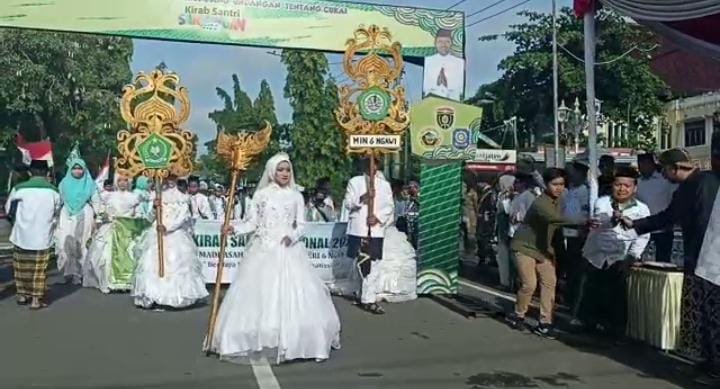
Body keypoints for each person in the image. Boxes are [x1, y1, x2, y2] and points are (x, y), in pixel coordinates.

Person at [209, 153, 341, 364]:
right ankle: (262, 337)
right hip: (262, 249)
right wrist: (233, 229)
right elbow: (252, 223)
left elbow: (302, 225)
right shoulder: (261, 195)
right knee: (260, 296)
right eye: (280, 170)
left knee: (294, 296)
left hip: (288, 249)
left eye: (287, 170)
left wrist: (292, 236)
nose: (284, 174)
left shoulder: (296, 196)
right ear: (272, 172)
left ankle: (297, 341)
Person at [619, 147, 720, 382]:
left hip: (708, 260)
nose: (662, 174)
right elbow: (670, 216)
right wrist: (637, 224)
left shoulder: (700, 184)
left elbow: (698, 223)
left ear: (675, 168)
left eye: (664, 169)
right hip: (703, 259)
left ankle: (715, 367)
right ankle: (709, 360)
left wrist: (637, 224)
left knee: (712, 315)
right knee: (705, 313)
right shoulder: (694, 184)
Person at [507, 168, 578, 339]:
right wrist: (584, 222)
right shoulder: (541, 203)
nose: (558, 188)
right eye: (554, 184)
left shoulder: (561, 199)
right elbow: (556, 219)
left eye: (561, 184)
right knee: (529, 284)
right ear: (546, 185)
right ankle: (519, 314)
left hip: (544, 249)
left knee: (549, 283)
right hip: (524, 246)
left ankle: (545, 322)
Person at [579, 167, 650, 337]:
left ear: (634, 188)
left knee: (617, 297)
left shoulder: (642, 209)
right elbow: (595, 225)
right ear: (613, 185)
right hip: (595, 255)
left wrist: (631, 257)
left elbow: (642, 237)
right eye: (618, 185)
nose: (622, 189)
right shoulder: (601, 203)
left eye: (627, 186)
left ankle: (615, 331)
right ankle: (589, 326)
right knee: (591, 292)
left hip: (620, 256)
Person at [132, 175, 208, 309]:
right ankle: (153, 295)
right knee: (152, 264)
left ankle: (175, 297)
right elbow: (149, 218)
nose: (170, 181)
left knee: (176, 264)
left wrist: (168, 227)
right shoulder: (157, 196)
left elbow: (183, 217)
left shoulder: (183, 198)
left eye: (173, 178)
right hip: (157, 235)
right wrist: (155, 208)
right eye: (167, 178)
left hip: (175, 235)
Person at [6, 160, 61, 309]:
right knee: (39, 270)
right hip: (42, 236)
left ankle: (22, 295)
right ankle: (36, 300)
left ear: (30, 172)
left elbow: (8, 210)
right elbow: (57, 213)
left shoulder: (19, 189)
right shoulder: (54, 191)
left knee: (21, 267)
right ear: (47, 173)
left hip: (21, 235)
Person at [343, 157, 394, 314]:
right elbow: (347, 203)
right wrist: (363, 199)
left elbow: (389, 207)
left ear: (378, 165)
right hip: (359, 229)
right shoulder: (355, 182)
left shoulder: (385, 185)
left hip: (376, 230)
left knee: (374, 265)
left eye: (374, 162)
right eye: (368, 162)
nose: (371, 165)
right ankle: (361, 293)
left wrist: (377, 217)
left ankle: (369, 299)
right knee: (360, 263)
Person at [83, 174, 146, 293]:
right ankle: (107, 282)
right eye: (120, 180)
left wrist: (131, 219)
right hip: (110, 228)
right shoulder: (108, 196)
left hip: (127, 230)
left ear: (130, 182)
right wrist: (103, 218)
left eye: (126, 180)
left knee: (129, 254)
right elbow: (102, 211)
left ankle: (127, 282)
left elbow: (138, 214)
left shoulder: (134, 197)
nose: (123, 183)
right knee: (104, 256)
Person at [56, 146, 101, 285]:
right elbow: (58, 201)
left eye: (80, 168)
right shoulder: (63, 183)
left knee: (82, 243)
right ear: (70, 169)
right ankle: (68, 272)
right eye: (74, 168)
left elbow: (96, 201)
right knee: (65, 242)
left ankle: (81, 272)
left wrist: (99, 217)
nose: (77, 171)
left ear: (84, 170)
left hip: (85, 214)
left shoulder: (90, 184)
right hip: (66, 215)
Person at [560, 157, 591, 316]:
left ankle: (574, 300)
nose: (572, 176)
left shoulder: (586, 191)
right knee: (569, 266)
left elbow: (585, 214)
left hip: (578, 231)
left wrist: (582, 229)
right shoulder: (570, 190)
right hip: (566, 229)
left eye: (575, 173)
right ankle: (568, 296)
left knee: (576, 268)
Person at [636, 152, 677, 263]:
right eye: (639, 163)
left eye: (644, 163)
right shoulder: (637, 183)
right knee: (640, 259)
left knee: (662, 261)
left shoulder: (665, 180)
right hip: (644, 227)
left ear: (651, 164)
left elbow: (675, 198)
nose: (641, 166)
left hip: (663, 227)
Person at [423, 29, 464, 101]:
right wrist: (437, 84)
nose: (443, 45)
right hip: (431, 102)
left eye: (447, 42)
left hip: (453, 103)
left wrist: (447, 84)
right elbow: (424, 88)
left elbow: (461, 89)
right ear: (435, 43)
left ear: (451, 43)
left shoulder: (460, 62)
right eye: (440, 41)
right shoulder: (427, 61)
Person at [495, 174, 516, 290]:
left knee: (507, 257)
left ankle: (507, 283)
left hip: (508, 230)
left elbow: (507, 211)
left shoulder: (510, 197)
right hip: (503, 229)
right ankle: (505, 281)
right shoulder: (501, 195)